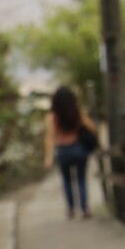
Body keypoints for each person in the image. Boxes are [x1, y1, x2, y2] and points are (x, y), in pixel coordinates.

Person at [44, 86, 95, 219]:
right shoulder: (77, 112)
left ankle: (71, 209)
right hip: (78, 149)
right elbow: (91, 127)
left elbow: (50, 137)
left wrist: (48, 157)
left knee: (67, 181)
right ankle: (84, 209)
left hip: (63, 151)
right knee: (81, 180)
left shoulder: (52, 116)